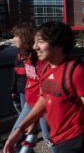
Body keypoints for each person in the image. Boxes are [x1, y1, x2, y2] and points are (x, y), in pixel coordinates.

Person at [3, 22, 84, 153]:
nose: (34, 46)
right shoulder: (44, 67)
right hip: (56, 134)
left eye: (40, 42)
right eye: (35, 42)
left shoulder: (78, 72)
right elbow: (44, 98)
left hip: (75, 136)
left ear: (59, 45)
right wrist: (20, 128)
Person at [9, 23, 53, 152]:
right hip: (29, 102)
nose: (13, 39)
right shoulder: (23, 55)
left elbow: (45, 86)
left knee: (49, 138)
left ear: (24, 37)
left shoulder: (39, 57)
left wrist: (34, 118)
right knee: (16, 136)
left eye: (16, 36)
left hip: (41, 104)